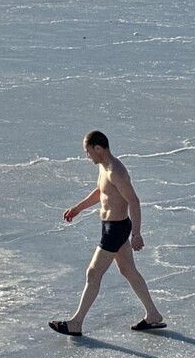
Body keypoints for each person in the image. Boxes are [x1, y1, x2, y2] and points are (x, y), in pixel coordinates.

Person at [49, 130, 165, 337]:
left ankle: (76, 323)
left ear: (98, 148)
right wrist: (78, 208)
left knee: (93, 273)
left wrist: (137, 234)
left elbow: (134, 201)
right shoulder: (104, 168)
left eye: (87, 152)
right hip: (111, 227)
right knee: (128, 271)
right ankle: (153, 315)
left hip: (116, 230)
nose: (87, 156)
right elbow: (102, 192)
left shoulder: (115, 171)